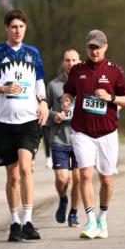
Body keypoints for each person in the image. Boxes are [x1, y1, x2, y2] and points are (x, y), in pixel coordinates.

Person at [0, 8, 50, 242]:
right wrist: (2, 89)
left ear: (25, 28)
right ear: (7, 29)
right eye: (13, 27)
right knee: (13, 175)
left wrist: (43, 101)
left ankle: (28, 220)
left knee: (26, 168)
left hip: (28, 120)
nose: (17, 31)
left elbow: (39, 81)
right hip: (4, 122)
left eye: (21, 27)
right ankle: (14, 223)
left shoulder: (33, 53)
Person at [62, 29, 125, 240]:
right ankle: (91, 220)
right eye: (91, 47)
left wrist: (110, 98)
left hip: (107, 132)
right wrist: (67, 99)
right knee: (85, 174)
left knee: (107, 179)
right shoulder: (77, 70)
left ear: (105, 47)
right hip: (82, 131)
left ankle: (102, 218)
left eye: (98, 48)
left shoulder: (114, 71)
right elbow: (69, 90)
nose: (94, 51)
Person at [44, 49, 82, 228]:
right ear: (63, 63)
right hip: (59, 138)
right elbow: (43, 110)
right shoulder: (53, 85)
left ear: (79, 62)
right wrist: (54, 116)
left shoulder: (85, 83)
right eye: (67, 60)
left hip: (80, 138)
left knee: (78, 179)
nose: (71, 63)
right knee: (62, 179)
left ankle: (73, 213)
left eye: (74, 60)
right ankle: (63, 198)